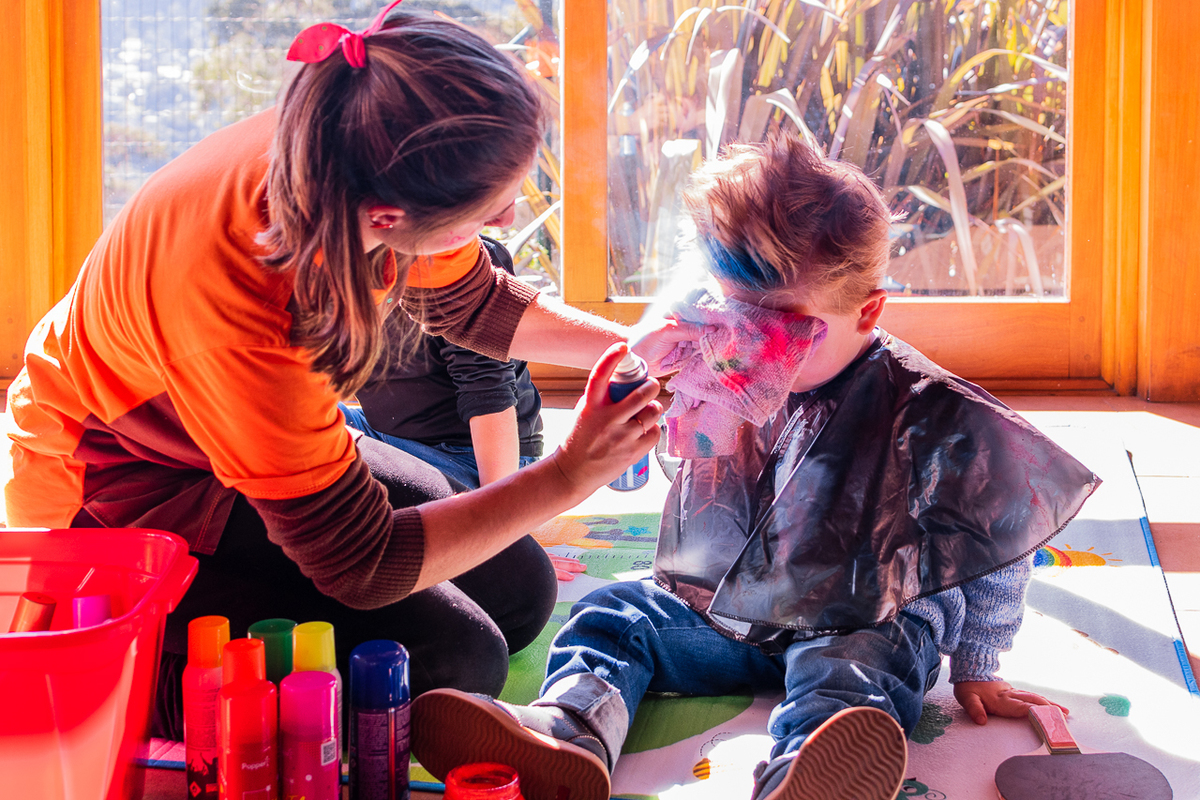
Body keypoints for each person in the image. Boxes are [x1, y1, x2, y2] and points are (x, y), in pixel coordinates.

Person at [0, 3, 690, 738]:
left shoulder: (356, 143)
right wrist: (569, 474)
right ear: (389, 217)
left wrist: (638, 340)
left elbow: (470, 300)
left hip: (237, 433)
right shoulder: (246, 308)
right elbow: (360, 565)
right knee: (453, 661)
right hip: (127, 485)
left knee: (521, 590)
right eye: (489, 210)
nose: (507, 215)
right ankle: (91, 683)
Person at [409, 136, 1100, 800]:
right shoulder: (722, 363)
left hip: (867, 613)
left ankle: (813, 767)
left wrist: (980, 662)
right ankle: (571, 730)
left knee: (854, 668)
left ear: (869, 310)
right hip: (727, 611)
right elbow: (669, 454)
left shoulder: (921, 405)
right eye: (735, 317)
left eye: (783, 331)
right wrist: (645, 373)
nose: (747, 349)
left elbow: (1007, 521)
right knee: (611, 613)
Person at [341, 236, 545, 492]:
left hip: (471, 458)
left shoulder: (459, 256)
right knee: (284, 445)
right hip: (381, 433)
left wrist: (496, 506)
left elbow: (488, 391)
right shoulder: (323, 260)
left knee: (342, 487)